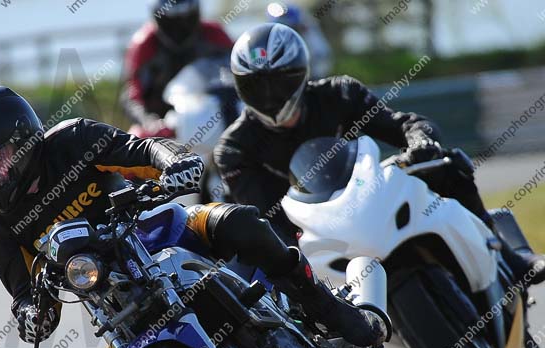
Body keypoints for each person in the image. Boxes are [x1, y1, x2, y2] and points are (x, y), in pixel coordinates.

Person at [0, 86, 385, 348]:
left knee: (240, 222)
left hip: (159, 230)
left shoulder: (74, 140)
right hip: (111, 295)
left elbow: (143, 151)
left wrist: (176, 161)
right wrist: (30, 315)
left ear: (24, 142)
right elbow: (25, 295)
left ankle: (324, 306)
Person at [214, 23, 545, 285]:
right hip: (310, 232)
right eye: (257, 85)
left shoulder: (339, 93)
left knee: (449, 163)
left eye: (279, 82)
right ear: (240, 87)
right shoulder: (234, 148)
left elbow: (403, 124)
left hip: (366, 195)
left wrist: (420, 142)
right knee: (272, 271)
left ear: (301, 74)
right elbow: (265, 216)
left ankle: (506, 256)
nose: (270, 96)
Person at [122, 0, 234, 138]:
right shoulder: (143, 45)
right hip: (166, 126)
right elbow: (132, 97)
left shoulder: (215, 35)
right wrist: (151, 123)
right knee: (136, 139)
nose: (180, 27)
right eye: (172, 20)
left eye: (186, 18)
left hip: (215, 117)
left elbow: (239, 72)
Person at [266, 2, 332, 79]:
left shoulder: (309, 35)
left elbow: (322, 55)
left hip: (310, 77)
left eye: (293, 28)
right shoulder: (272, 42)